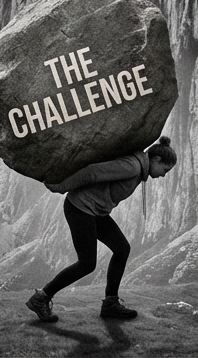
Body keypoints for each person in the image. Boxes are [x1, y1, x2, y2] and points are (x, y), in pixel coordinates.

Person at [25, 136, 177, 322]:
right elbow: (93, 173)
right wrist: (61, 186)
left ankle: (110, 304)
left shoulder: (139, 169)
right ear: (157, 159)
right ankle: (41, 298)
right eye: (165, 170)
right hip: (80, 208)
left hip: (96, 211)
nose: (164, 175)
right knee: (87, 263)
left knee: (122, 249)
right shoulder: (132, 167)